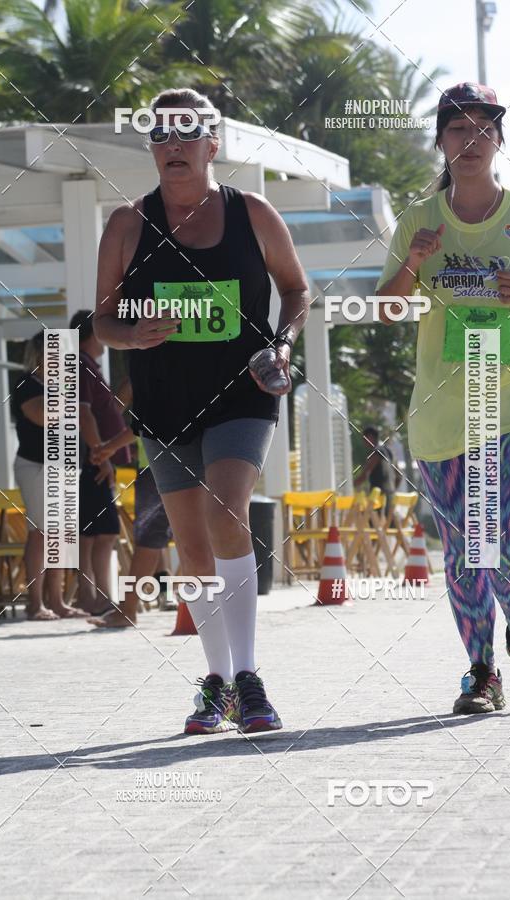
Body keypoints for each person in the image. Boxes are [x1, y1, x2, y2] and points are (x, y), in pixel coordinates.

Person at [92, 87, 309, 734]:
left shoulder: (254, 213)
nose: (172, 145)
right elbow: (101, 318)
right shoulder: (127, 224)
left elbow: (296, 290)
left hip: (244, 391)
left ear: (213, 144)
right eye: (159, 135)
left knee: (225, 508)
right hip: (164, 403)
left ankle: (248, 675)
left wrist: (283, 343)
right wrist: (129, 335)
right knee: (191, 546)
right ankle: (215, 681)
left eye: (186, 132)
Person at [377, 81, 510, 714]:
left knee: (507, 532)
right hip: (441, 413)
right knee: (466, 544)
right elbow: (385, 308)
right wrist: (412, 262)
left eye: (484, 128)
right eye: (457, 128)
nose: (471, 139)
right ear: (440, 139)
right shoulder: (418, 220)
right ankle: (483, 670)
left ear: (498, 141)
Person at [87, 377, 175, 628]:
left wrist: (107, 447)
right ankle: (171, 599)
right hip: (172, 463)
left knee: (149, 539)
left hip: (157, 468)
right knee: (160, 541)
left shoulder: (153, 376)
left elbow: (143, 423)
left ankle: (128, 609)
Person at [12, 331, 85, 620]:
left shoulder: (64, 386)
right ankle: (35, 603)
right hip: (36, 465)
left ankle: (57, 601)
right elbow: (41, 416)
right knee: (41, 533)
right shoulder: (26, 384)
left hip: (66, 465)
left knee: (62, 535)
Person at [72, 310, 132, 616]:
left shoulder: (90, 366)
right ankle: (94, 594)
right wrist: (101, 454)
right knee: (100, 531)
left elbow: (108, 409)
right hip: (91, 458)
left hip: (94, 457)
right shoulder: (81, 364)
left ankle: (94, 594)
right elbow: (84, 414)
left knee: (96, 531)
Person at [354, 426, 396, 516]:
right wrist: (392, 489)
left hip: (378, 498)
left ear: (370, 437)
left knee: (363, 517)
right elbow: (398, 476)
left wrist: (351, 485)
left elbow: (364, 475)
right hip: (390, 495)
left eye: (364, 439)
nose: (363, 442)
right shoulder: (388, 452)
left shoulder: (376, 453)